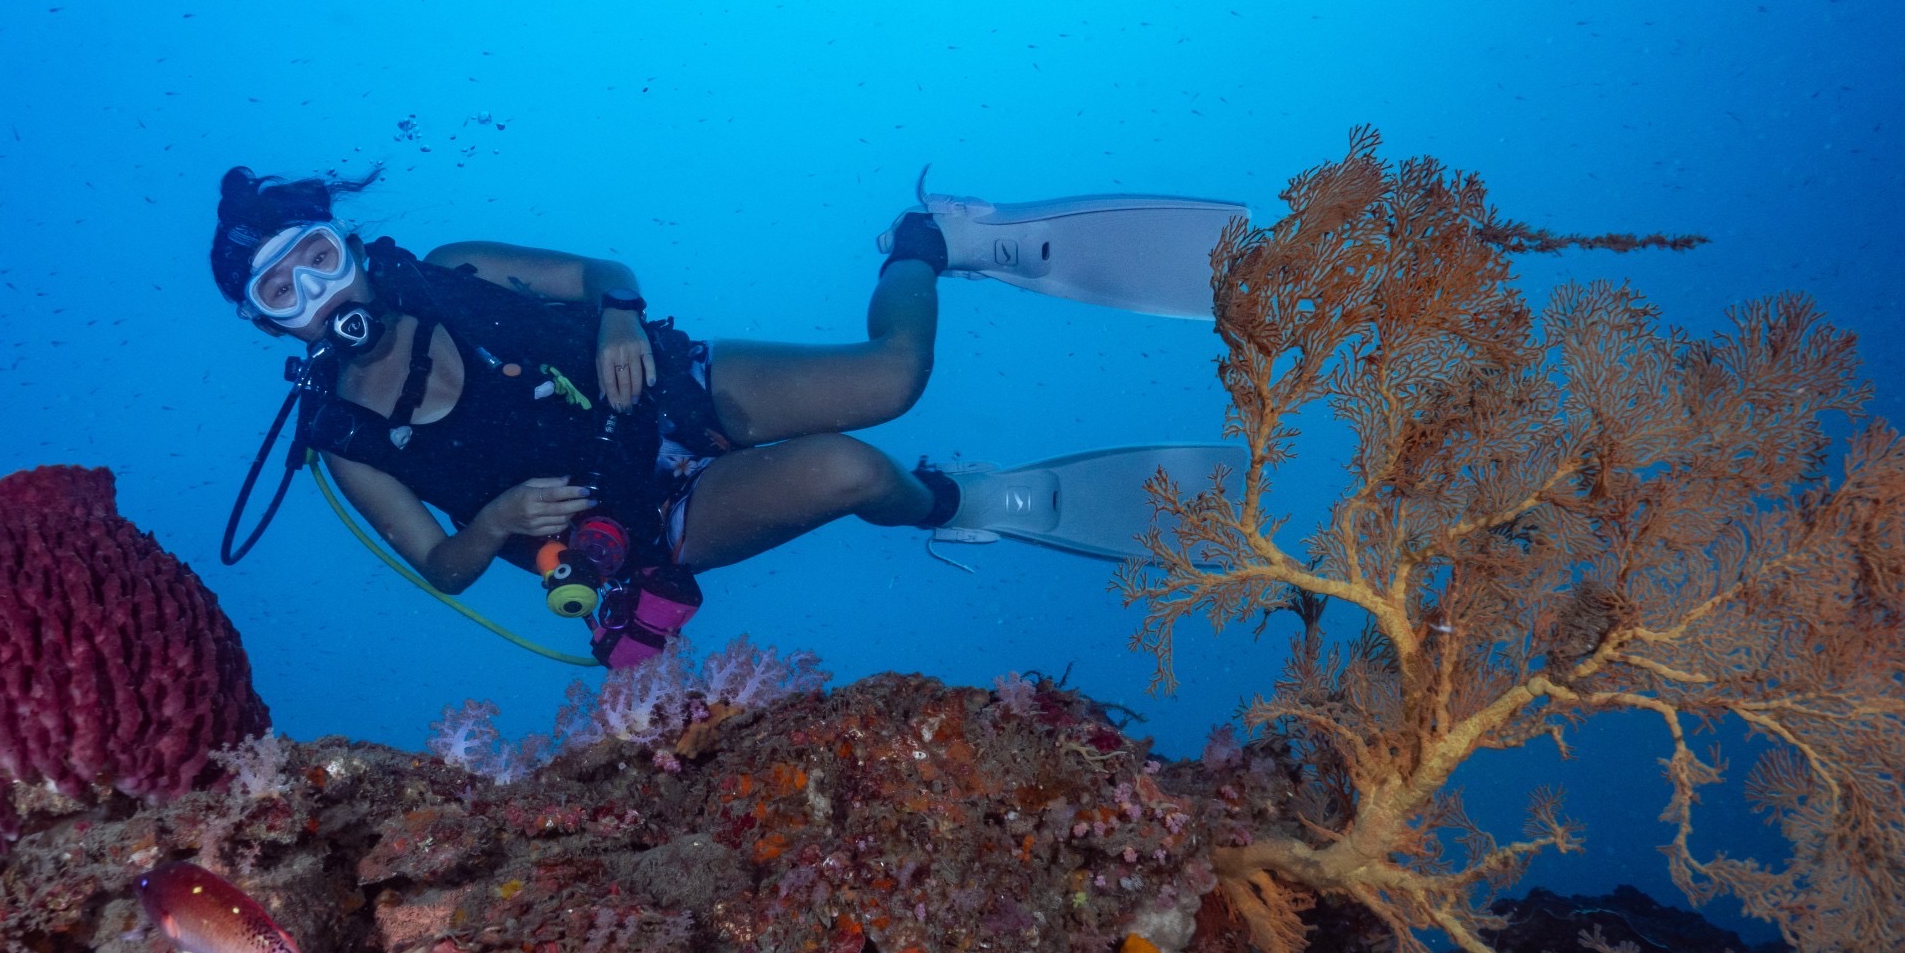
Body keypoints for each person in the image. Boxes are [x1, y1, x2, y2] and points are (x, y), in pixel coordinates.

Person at [210, 166, 1241, 667]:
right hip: (649, 517)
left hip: (673, 386)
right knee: (849, 470)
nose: (321, 292)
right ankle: (954, 500)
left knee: (894, 379)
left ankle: (937, 242)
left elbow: (604, 273)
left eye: (319, 257)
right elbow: (442, 568)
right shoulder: (340, 447)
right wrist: (497, 521)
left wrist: (616, 315)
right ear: (265, 326)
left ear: (346, 242)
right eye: (282, 291)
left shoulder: (452, 272)